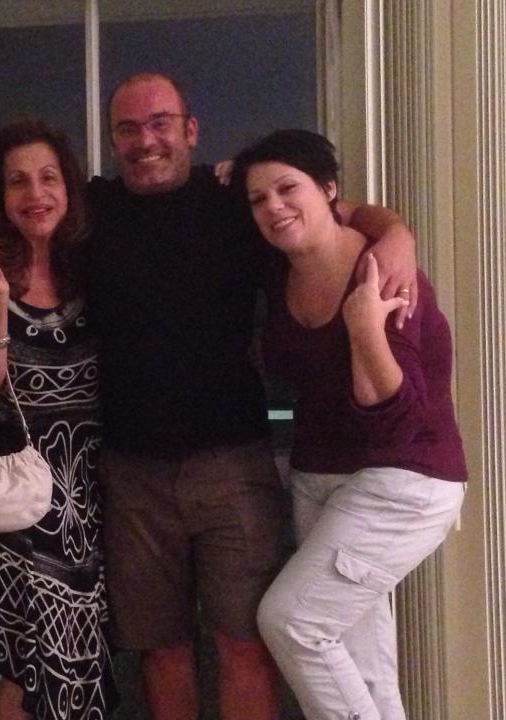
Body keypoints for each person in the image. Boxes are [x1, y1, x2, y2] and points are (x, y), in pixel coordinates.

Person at [84, 72, 420, 720]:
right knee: (162, 650)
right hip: (131, 474)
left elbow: (341, 210)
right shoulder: (92, 209)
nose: (144, 140)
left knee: (246, 644)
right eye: (127, 129)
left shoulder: (236, 200)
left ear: (190, 130)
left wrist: (397, 234)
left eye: (160, 124)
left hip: (233, 464)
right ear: (113, 140)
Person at [230, 129, 466, 720]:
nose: (274, 207)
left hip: (402, 480)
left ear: (329, 190)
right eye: (258, 199)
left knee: (292, 622)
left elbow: (398, 418)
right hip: (319, 479)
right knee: (362, 664)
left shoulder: (379, 268)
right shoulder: (279, 267)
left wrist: (363, 324)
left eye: (288, 189)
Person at [0, 119, 116, 720]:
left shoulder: (87, 268)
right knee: (29, 672)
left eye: (47, 178)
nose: (35, 194)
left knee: (82, 665)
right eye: (18, 182)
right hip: (14, 508)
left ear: (68, 188)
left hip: (86, 504)